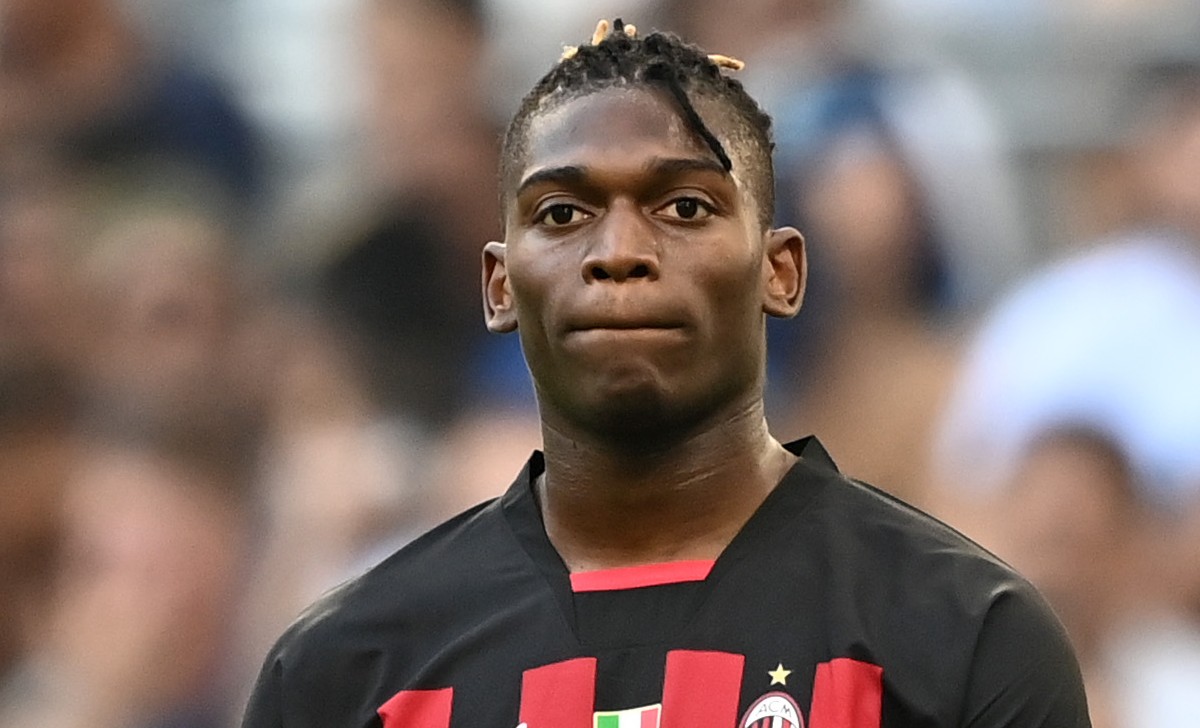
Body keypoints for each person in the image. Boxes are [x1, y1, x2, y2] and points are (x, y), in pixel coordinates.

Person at [241, 20, 1090, 728]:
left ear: (781, 271)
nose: (619, 253)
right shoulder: (348, 671)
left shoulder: (964, 638)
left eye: (685, 207)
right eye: (562, 213)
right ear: (499, 286)